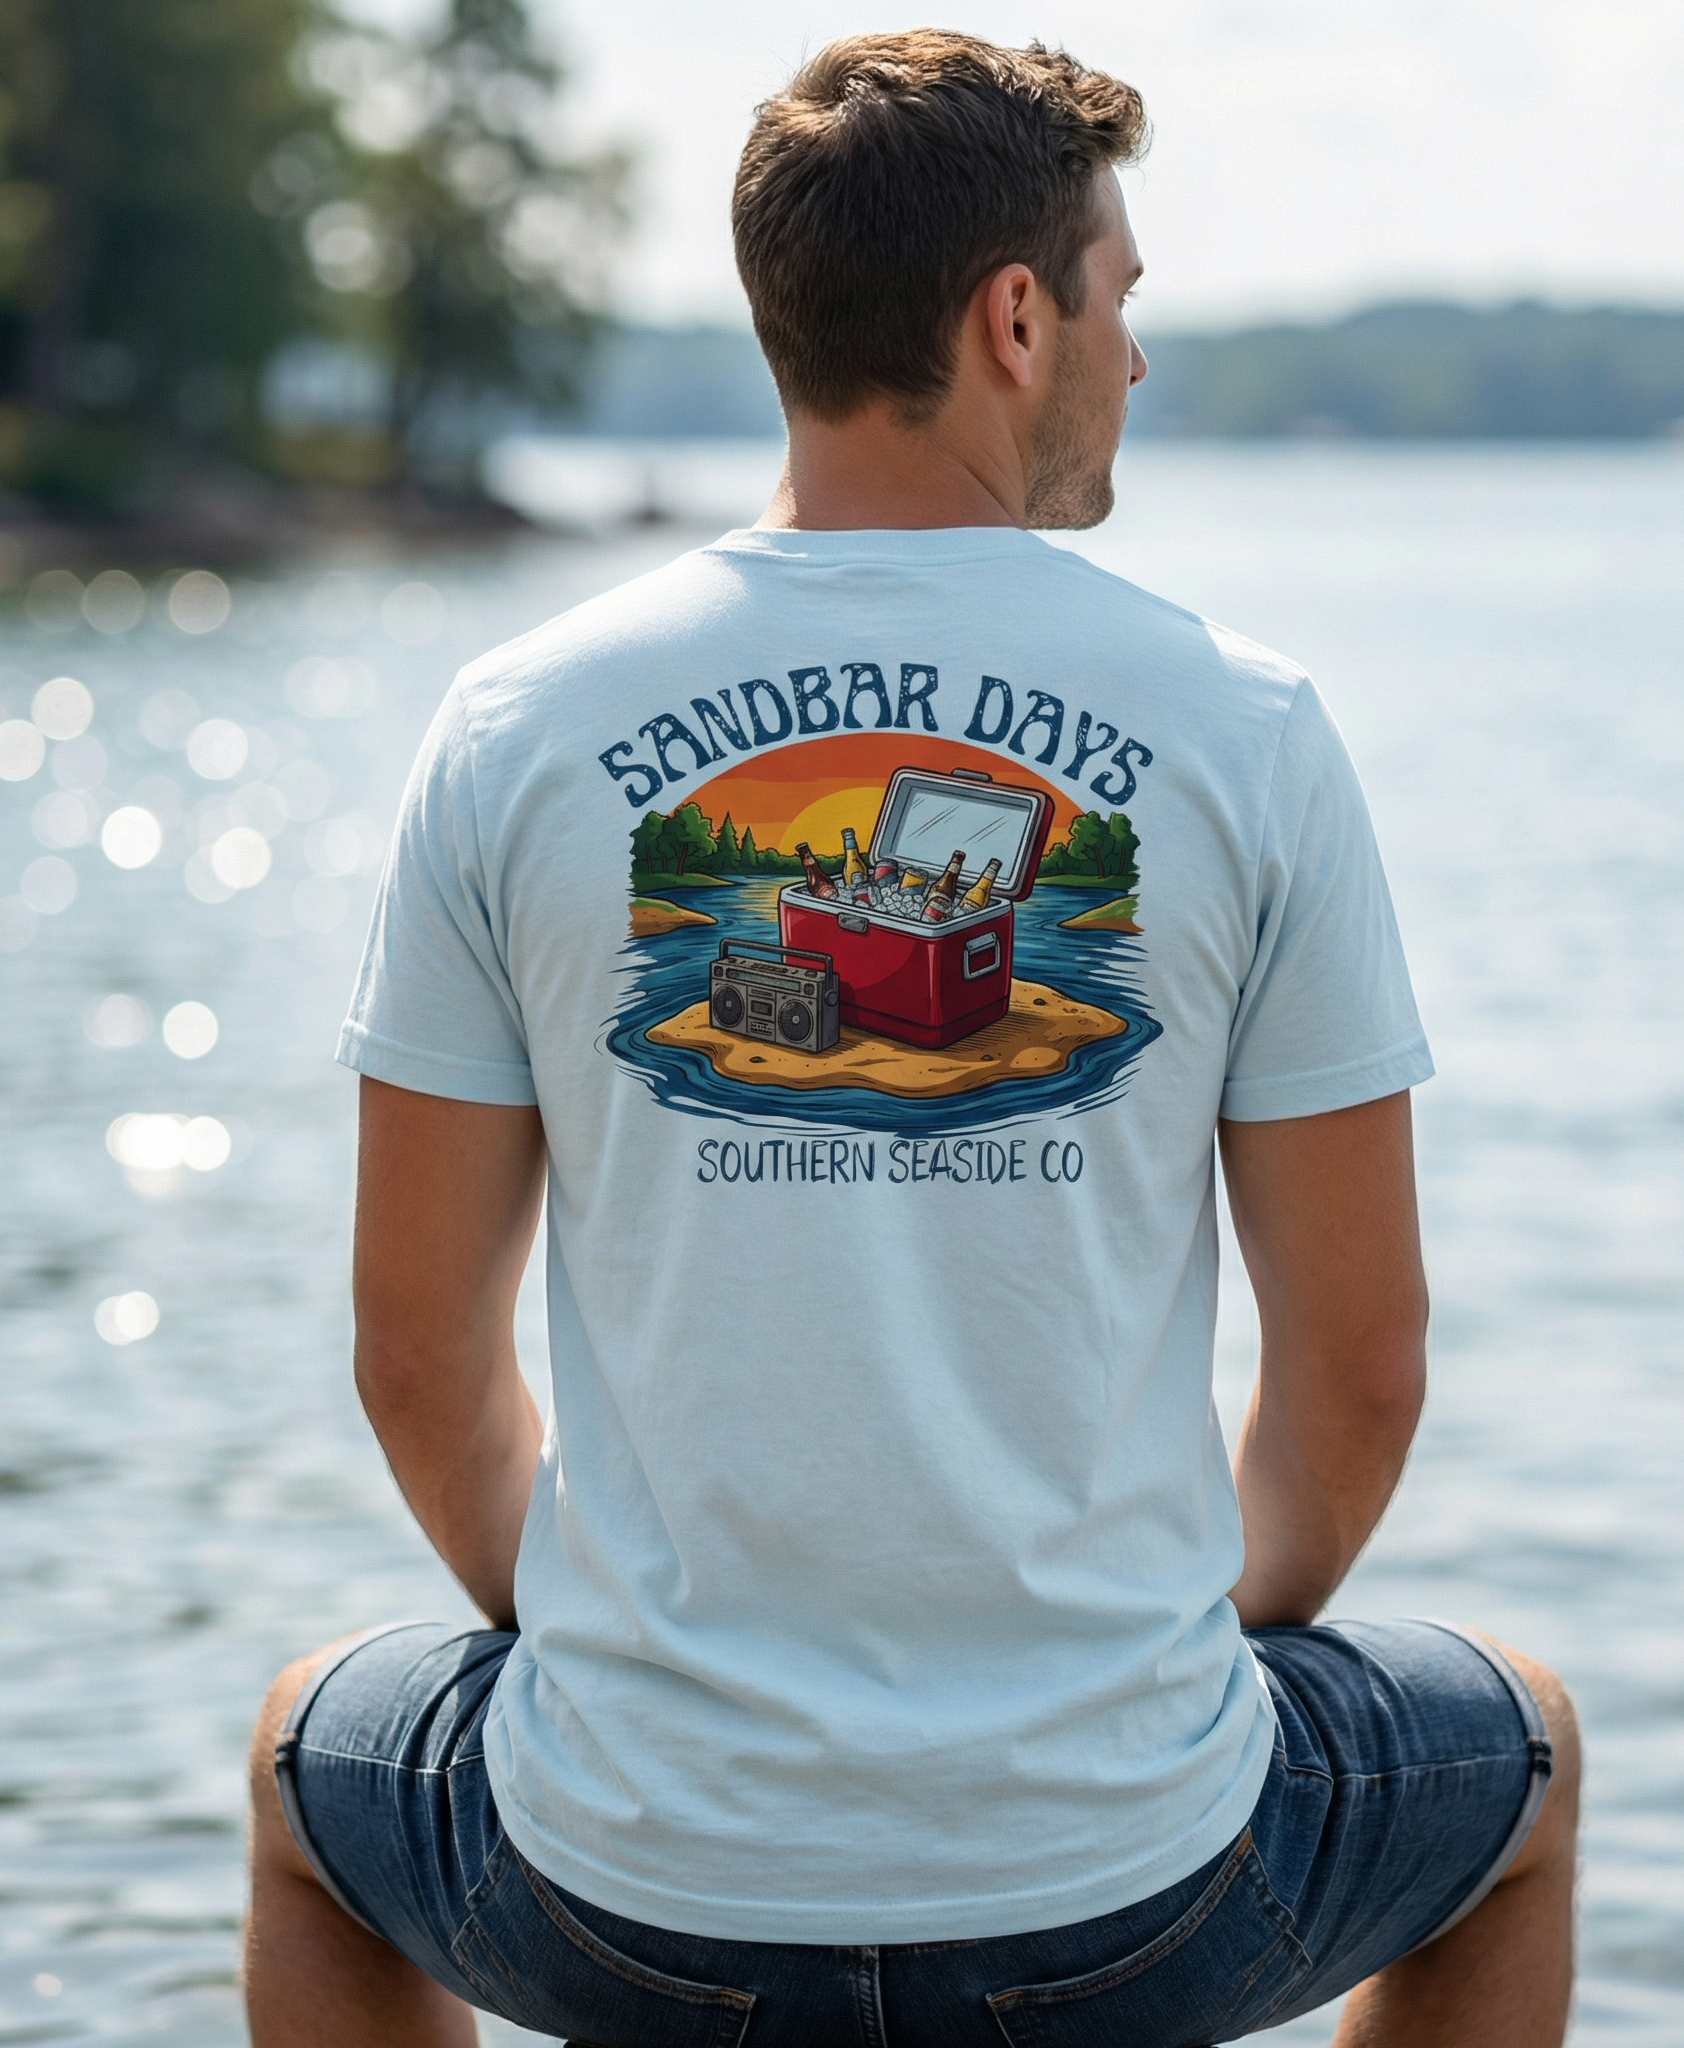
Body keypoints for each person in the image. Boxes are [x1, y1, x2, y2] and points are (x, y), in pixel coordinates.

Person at [242, 29, 1578, 2048]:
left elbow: (417, 1354)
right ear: (1014, 318)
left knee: (295, 1768)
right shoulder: (1249, 730)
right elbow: (1361, 1375)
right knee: (1525, 1764)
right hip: (1127, 1886)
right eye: (1118, 300)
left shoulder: (515, 724)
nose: (1134, 357)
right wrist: (1161, 1659)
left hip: (635, 1891)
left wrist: (607, 1649)